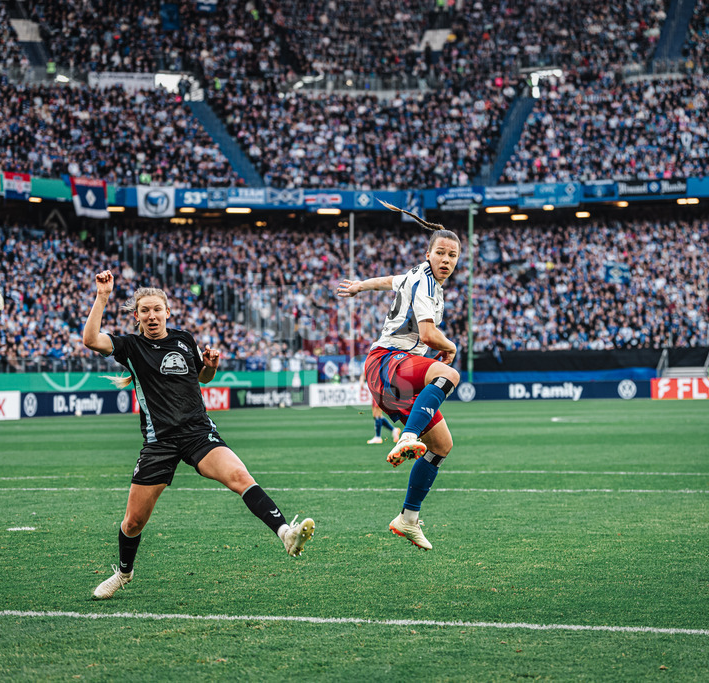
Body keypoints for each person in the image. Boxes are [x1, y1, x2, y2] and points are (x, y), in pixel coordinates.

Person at [82, 269, 315, 599]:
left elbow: (201, 377)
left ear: (167, 311)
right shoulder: (131, 346)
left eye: (157, 309)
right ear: (137, 316)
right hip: (159, 442)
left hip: (198, 432)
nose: (152, 315)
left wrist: (210, 366)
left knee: (240, 476)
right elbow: (91, 340)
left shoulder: (184, 339)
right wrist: (102, 296)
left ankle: (286, 534)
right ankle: (123, 573)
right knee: (133, 523)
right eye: (145, 311)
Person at [336, 203, 461, 550]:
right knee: (448, 373)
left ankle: (407, 519)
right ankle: (406, 436)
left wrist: (361, 286)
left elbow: (389, 281)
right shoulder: (426, 284)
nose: (446, 260)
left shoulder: (415, 275)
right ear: (428, 254)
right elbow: (429, 334)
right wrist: (451, 346)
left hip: (397, 371)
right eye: (440, 252)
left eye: (452, 255)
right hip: (387, 360)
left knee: (441, 445)